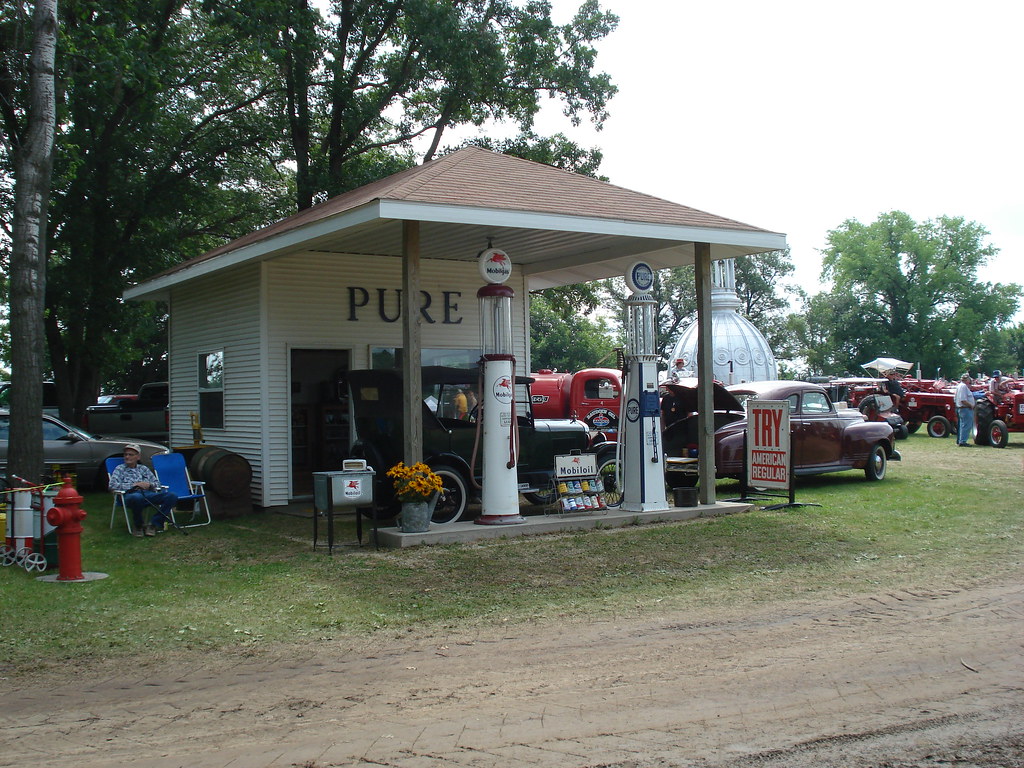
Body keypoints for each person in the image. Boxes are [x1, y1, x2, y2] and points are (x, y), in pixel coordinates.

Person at [108, 443, 178, 536]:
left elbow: (157, 484)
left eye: (130, 455)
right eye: (125, 454)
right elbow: (112, 486)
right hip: (129, 495)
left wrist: (149, 485)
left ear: (138, 457)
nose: (127, 457)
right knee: (136, 497)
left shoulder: (143, 469)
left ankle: (153, 524)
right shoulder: (120, 469)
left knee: (172, 496)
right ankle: (138, 526)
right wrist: (134, 485)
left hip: (147, 494)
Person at [954, 372, 975, 446]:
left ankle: (960, 440)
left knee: (962, 425)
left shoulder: (959, 386)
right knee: (966, 425)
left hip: (960, 408)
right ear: (967, 379)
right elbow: (963, 399)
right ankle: (963, 441)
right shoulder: (963, 387)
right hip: (965, 408)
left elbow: (955, 398)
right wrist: (971, 405)